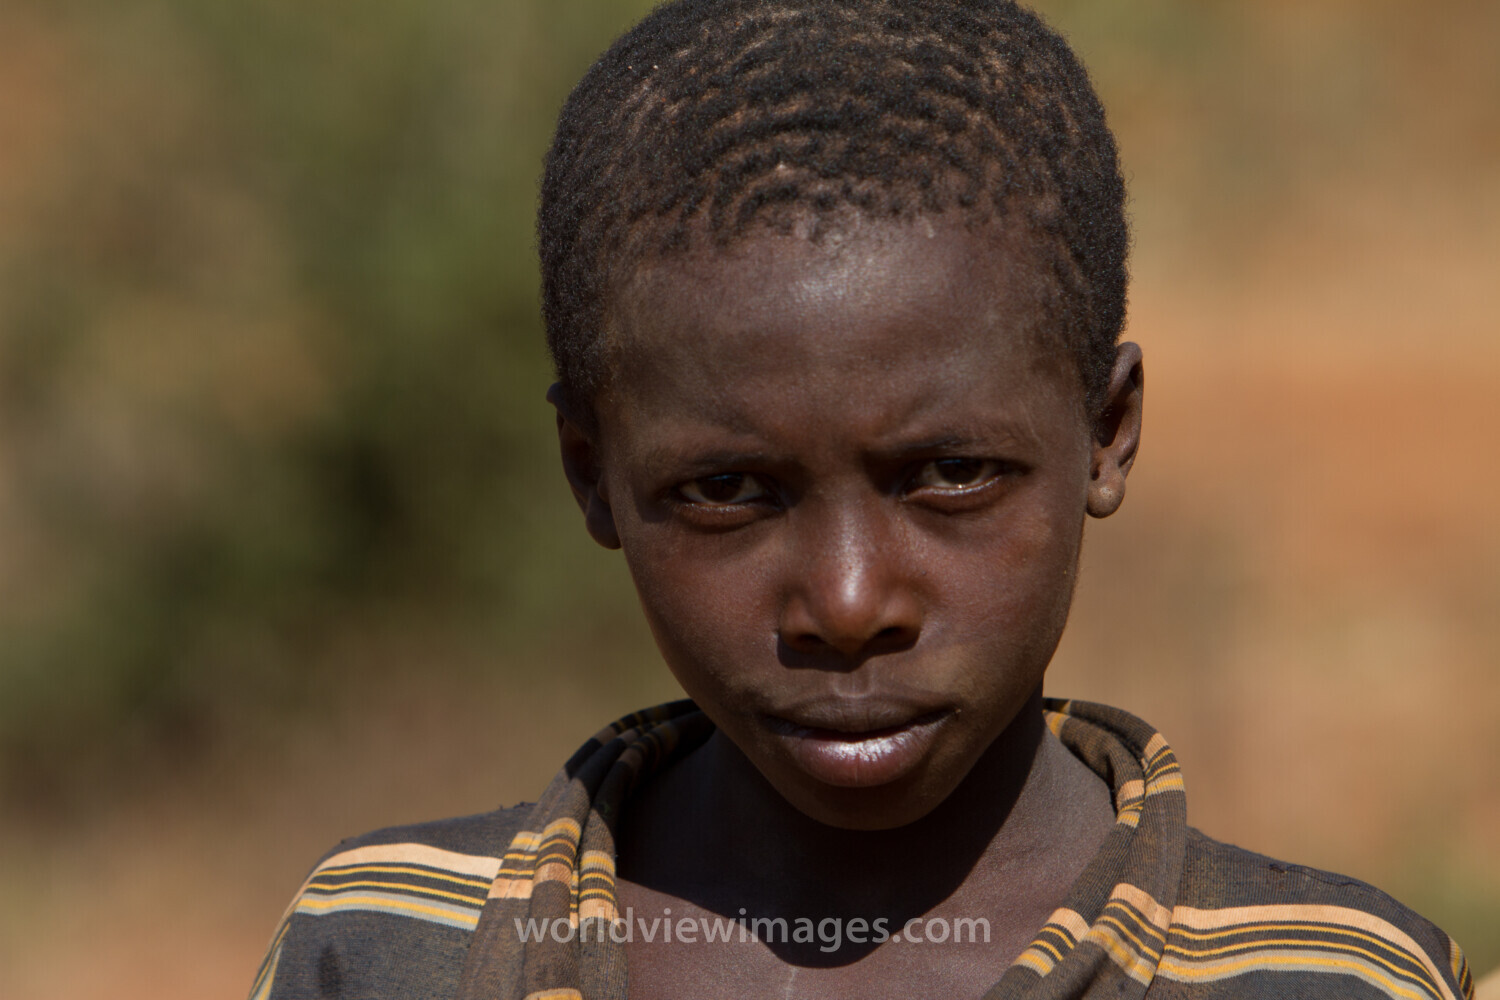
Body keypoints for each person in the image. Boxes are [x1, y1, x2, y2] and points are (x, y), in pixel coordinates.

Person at [248, 1, 1477, 997]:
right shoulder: (385, 948)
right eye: (728, 490)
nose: (846, 603)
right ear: (592, 471)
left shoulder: (1324, 978)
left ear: (1105, 436)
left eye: (951, 475)